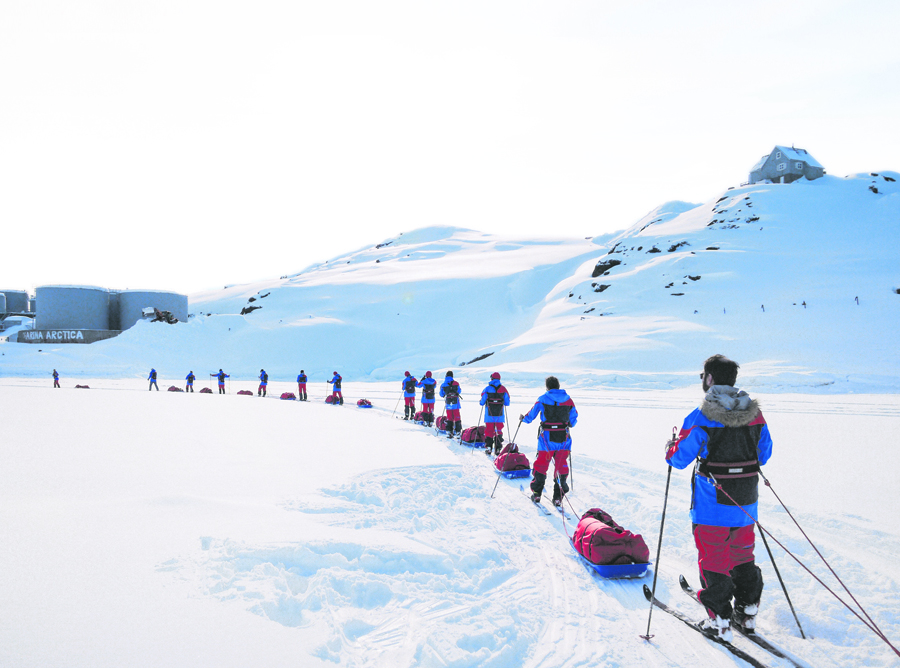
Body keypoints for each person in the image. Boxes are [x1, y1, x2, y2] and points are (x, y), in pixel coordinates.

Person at [665, 354, 773, 641]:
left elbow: (679, 459)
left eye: (703, 376)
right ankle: (747, 611)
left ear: (710, 379)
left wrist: (670, 447)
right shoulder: (756, 415)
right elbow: (764, 453)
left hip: (712, 505)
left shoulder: (701, 415)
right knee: (741, 555)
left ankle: (719, 619)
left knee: (713, 558)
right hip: (746, 503)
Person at [520, 376, 577, 507]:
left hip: (546, 439)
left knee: (541, 464)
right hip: (564, 439)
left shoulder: (543, 399)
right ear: (558, 386)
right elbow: (573, 420)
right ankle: (558, 497)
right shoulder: (569, 400)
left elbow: (531, 416)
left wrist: (523, 419)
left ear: (547, 387)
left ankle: (537, 493)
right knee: (561, 464)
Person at [480, 372, 511, 456]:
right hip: (499, 415)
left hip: (489, 415)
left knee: (489, 430)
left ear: (491, 379)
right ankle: (498, 448)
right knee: (499, 430)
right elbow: (507, 403)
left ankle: (489, 447)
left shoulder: (487, 389)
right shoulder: (504, 389)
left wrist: (482, 402)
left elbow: (482, 402)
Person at [440, 371, 462, 438]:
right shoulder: (456, 383)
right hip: (456, 403)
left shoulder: (443, 384)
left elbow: (441, 394)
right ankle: (458, 432)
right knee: (457, 417)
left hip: (448, 403)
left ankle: (449, 431)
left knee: (449, 417)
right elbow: (459, 391)